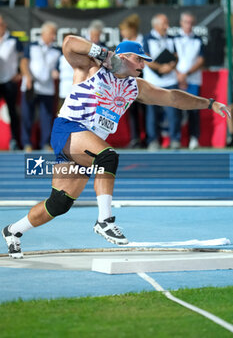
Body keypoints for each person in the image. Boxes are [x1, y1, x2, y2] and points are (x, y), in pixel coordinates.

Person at [1, 37, 229, 258]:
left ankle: (12, 230)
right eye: (139, 59)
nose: (143, 64)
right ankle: (105, 221)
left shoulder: (135, 87)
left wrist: (210, 103)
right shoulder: (91, 68)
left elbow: (173, 98)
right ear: (123, 57)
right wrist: (103, 54)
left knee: (59, 203)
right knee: (107, 157)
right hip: (69, 130)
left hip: (85, 144)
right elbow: (69, 43)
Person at [20, 21, 61, 151]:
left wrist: (57, 72)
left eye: (55, 34)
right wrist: (28, 77)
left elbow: (59, 67)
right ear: (43, 33)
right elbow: (24, 62)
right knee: (27, 116)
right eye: (51, 33)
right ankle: (27, 143)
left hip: (47, 89)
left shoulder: (57, 51)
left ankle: (46, 143)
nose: (53, 36)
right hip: (30, 86)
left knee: (47, 117)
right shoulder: (31, 46)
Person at [143, 14, 181, 150]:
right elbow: (145, 58)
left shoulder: (171, 38)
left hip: (170, 81)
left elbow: (176, 56)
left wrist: (170, 66)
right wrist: (161, 68)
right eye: (164, 24)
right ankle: (153, 140)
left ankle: (175, 139)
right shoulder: (146, 38)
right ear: (156, 25)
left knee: (173, 112)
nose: (167, 27)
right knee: (152, 113)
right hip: (152, 82)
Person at [174, 11, 205, 150]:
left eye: (191, 22)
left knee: (194, 109)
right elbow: (172, 58)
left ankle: (194, 138)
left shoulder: (199, 40)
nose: (189, 25)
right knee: (176, 109)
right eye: (186, 22)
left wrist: (186, 74)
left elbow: (201, 60)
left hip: (193, 80)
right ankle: (175, 138)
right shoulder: (173, 39)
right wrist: (179, 74)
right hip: (176, 79)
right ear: (181, 23)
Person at [119, 14, 145, 148]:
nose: (122, 33)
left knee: (145, 109)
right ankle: (135, 138)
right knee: (132, 110)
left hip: (142, 78)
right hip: (128, 81)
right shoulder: (123, 43)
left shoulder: (141, 40)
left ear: (131, 29)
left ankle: (147, 137)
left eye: (124, 29)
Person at [0, 15, 23, 150]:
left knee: (12, 111)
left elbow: (23, 57)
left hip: (9, 80)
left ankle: (14, 140)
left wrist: (20, 72)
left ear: (5, 25)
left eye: (1, 24)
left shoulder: (14, 40)